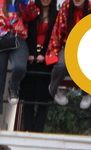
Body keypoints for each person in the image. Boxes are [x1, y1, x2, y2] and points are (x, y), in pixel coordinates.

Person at [0, 0, 37, 133]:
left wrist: (25, 3)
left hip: (18, 38)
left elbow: (33, 14)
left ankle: (13, 88)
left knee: (20, 67)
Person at [46, 0, 91, 109]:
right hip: (68, 45)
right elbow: (58, 29)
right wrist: (54, 52)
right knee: (61, 65)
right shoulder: (66, 5)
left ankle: (86, 92)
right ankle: (54, 89)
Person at [20, 0, 55, 132]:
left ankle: (39, 130)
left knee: (44, 96)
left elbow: (55, 37)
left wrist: (45, 54)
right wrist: (30, 53)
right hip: (30, 58)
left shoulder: (57, 15)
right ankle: (27, 129)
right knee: (27, 95)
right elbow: (25, 34)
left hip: (47, 59)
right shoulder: (32, 13)